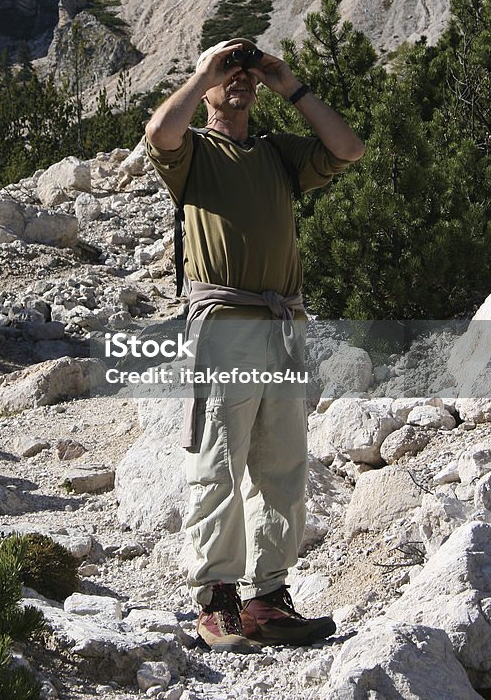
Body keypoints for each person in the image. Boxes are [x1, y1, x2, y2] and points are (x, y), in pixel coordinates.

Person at [144, 38, 365, 653]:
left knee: (283, 465)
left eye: (244, 73)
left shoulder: (275, 152)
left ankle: (268, 599)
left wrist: (286, 82)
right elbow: (160, 130)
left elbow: (348, 148)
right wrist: (203, 72)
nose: (238, 81)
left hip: (284, 323)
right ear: (208, 85)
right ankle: (215, 598)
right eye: (228, 74)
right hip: (226, 323)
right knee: (218, 460)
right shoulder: (193, 152)